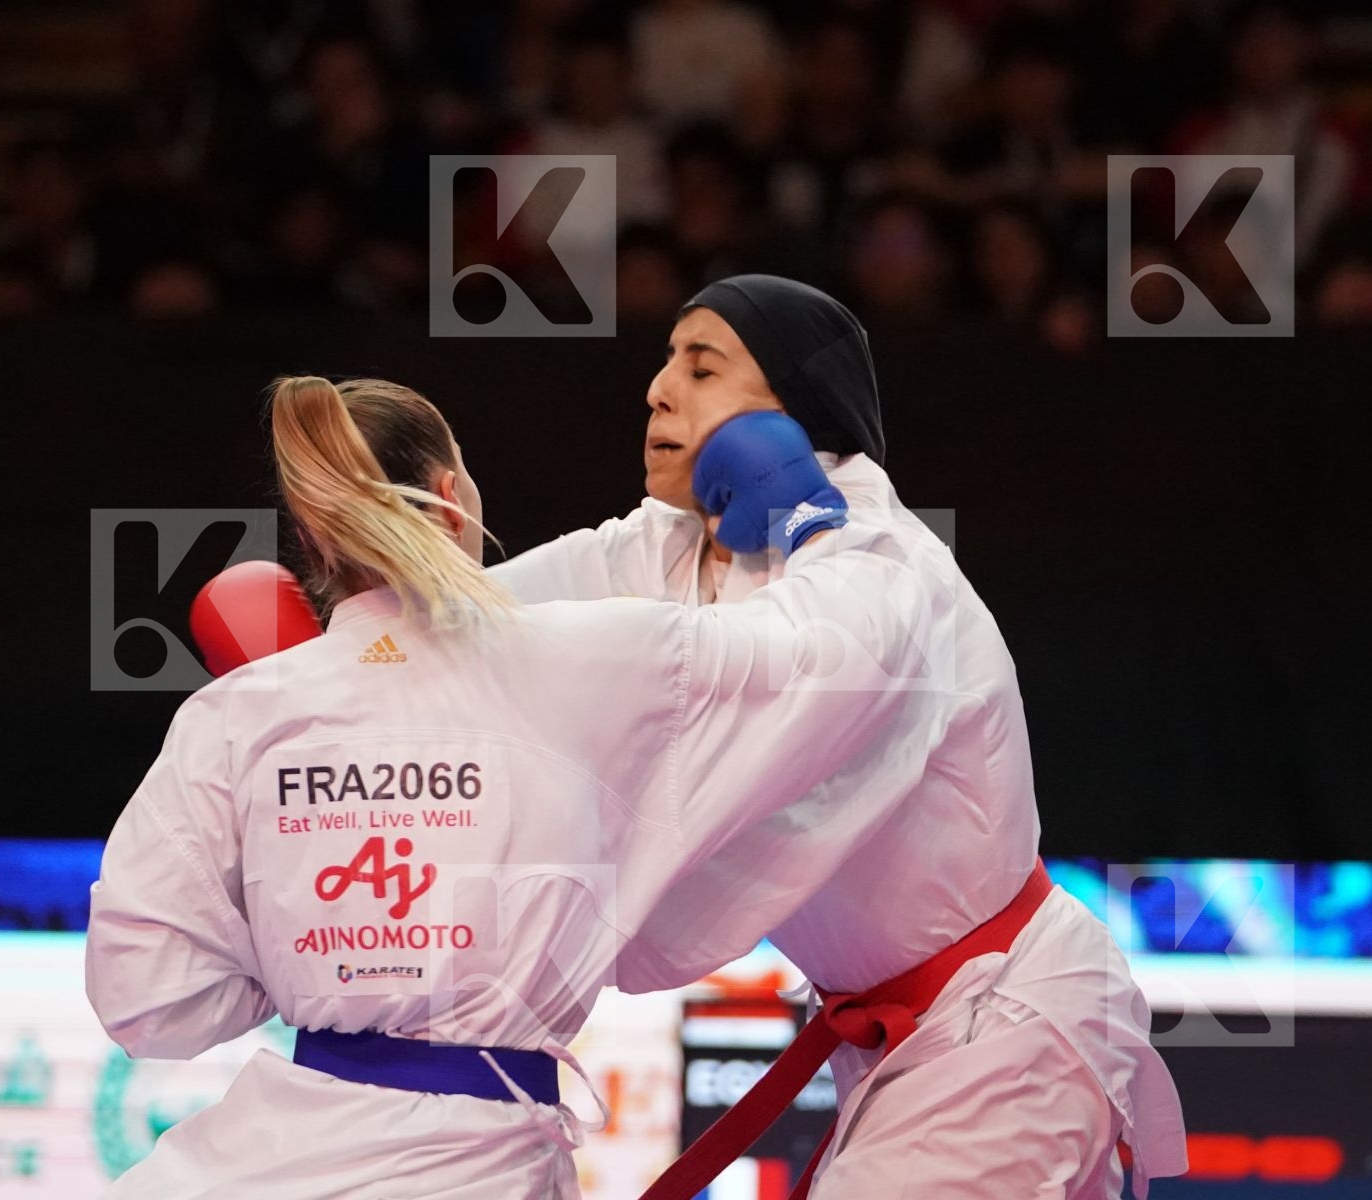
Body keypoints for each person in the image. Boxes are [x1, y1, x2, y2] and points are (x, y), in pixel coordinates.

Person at [85, 374, 939, 1198]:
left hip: (264, 1158)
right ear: (455, 495)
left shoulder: (238, 714)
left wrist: (317, 951)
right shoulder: (588, 660)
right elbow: (860, 654)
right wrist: (812, 516)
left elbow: (147, 996)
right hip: (474, 1169)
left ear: (310, 543)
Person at [488, 275, 1187, 1198]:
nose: (657, 389)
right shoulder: (662, 545)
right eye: (666, 362)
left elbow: (771, 682)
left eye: (701, 368)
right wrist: (336, 631)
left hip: (1008, 1024)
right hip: (905, 1041)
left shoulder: (884, 564)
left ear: (790, 416)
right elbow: (474, 628)